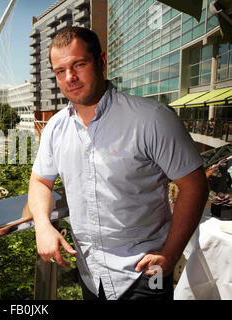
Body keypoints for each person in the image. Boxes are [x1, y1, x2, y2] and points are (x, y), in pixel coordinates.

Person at [28, 27, 209, 300]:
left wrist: (170, 255)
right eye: (60, 70)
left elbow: (194, 186)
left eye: (79, 64)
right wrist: (42, 225)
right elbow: (40, 181)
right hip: (91, 273)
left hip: (148, 271)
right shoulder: (55, 127)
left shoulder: (152, 118)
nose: (70, 78)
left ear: (101, 62)